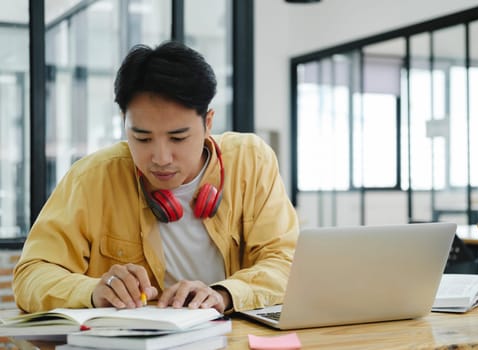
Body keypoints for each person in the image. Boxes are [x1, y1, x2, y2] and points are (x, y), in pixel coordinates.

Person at [12, 40, 299, 314]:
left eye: (178, 137)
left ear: (208, 122)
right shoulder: (93, 177)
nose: (161, 158)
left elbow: (286, 262)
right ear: (125, 123)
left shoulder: (250, 160)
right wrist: (91, 291)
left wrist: (224, 294)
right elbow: (32, 275)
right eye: (142, 138)